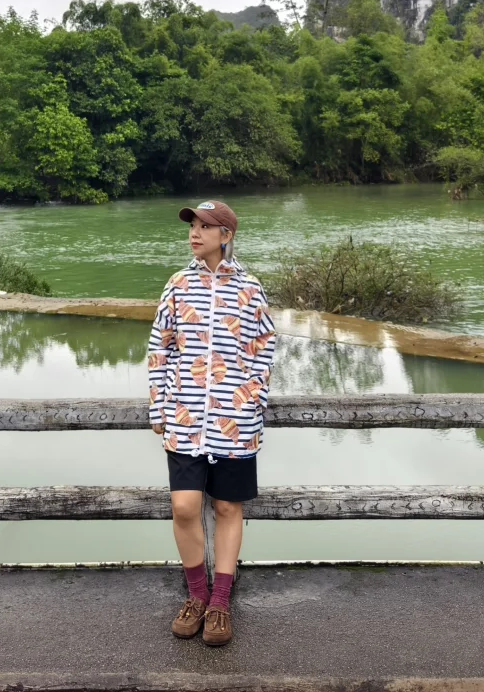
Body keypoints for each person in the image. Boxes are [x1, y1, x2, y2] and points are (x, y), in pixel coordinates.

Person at [147, 199, 276, 647]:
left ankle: (220, 602)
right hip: (183, 419)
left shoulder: (251, 289)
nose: (195, 233)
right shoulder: (178, 285)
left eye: (205, 226)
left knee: (226, 508)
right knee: (184, 507)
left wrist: (251, 398)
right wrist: (159, 407)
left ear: (227, 235)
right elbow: (159, 348)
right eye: (193, 226)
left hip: (234, 423)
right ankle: (196, 595)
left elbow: (265, 347)